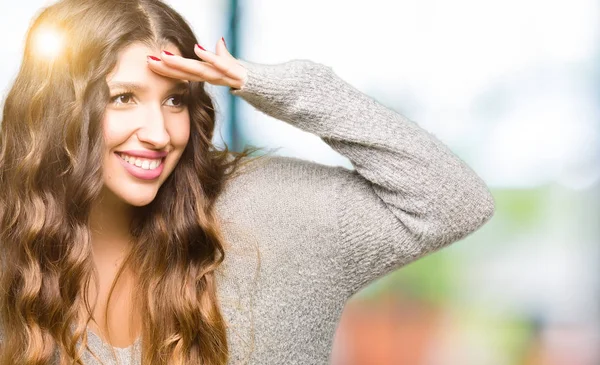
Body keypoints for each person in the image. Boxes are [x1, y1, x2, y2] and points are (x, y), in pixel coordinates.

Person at [0, 0, 496, 364]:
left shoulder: (268, 212)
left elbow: (452, 200)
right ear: (56, 112)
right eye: (123, 97)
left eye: (176, 100)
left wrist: (268, 85)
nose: (158, 134)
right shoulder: (14, 245)